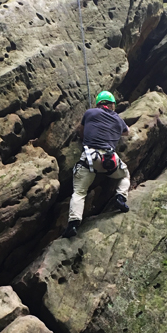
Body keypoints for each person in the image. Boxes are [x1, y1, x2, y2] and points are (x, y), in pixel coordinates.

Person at [62, 91, 130, 238]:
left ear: (99, 103)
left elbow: (80, 129)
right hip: (109, 159)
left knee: (79, 192)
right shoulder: (118, 119)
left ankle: (73, 223)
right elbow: (126, 132)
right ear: (112, 105)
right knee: (125, 175)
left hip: (89, 157)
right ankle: (120, 197)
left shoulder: (90, 113)